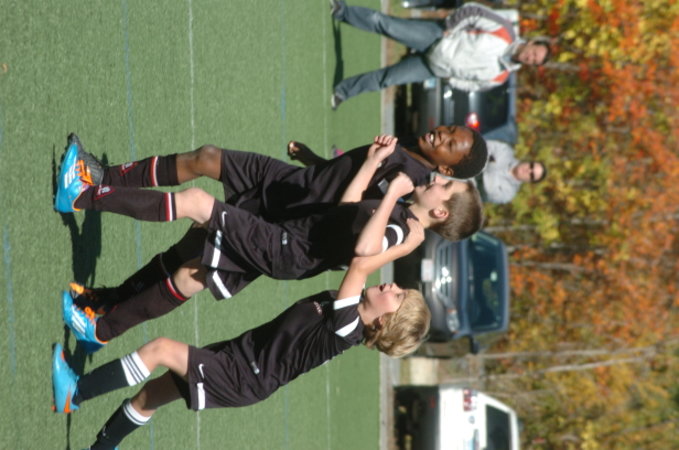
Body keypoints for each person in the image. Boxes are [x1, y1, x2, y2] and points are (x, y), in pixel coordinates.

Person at [55, 135, 483, 353]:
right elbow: (348, 207)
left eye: (446, 180)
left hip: (291, 241)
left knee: (194, 256)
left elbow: (362, 251)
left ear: (441, 208)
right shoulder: (407, 197)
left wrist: (390, 196)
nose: (441, 135)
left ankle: (83, 197)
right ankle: (105, 309)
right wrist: (337, 161)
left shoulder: (406, 216)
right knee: (192, 256)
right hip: (293, 202)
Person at [51, 225, 431, 449]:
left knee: (160, 350)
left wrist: (407, 245)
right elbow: (355, 252)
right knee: (152, 394)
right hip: (239, 357)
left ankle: (75, 392)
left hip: (244, 376)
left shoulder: (346, 326)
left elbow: (362, 262)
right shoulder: (342, 306)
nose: (392, 285)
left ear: (385, 323)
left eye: (397, 295)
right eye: (399, 288)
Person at [329, 1, 551, 109]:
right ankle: (341, 11)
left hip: (432, 68)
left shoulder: (500, 77)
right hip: (435, 38)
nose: (530, 57)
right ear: (531, 42)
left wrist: (449, 79)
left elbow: (471, 86)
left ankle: (342, 92)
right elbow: (473, 11)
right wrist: (450, 27)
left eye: (534, 61)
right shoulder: (505, 31)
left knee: (386, 79)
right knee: (386, 25)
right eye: (534, 52)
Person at [473, 140, 546, 204]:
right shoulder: (505, 150)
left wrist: (491, 163)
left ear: (529, 181)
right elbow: (482, 145)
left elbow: (489, 190)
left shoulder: (508, 194)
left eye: (532, 175)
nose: (528, 170)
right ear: (528, 162)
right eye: (531, 166)